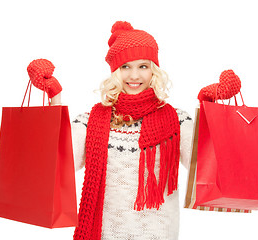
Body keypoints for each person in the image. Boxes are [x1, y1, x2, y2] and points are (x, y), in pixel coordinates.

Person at [27, 21, 239, 240]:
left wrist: (210, 109)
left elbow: (206, 164)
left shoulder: (176, 119)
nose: (134, 76)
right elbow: (59, 162)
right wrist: (54, 98)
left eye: (143, 66)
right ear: (114, 71)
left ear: (154, 70)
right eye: (125, 67)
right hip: (104, 234)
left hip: (158, 235)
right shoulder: (91, 120)